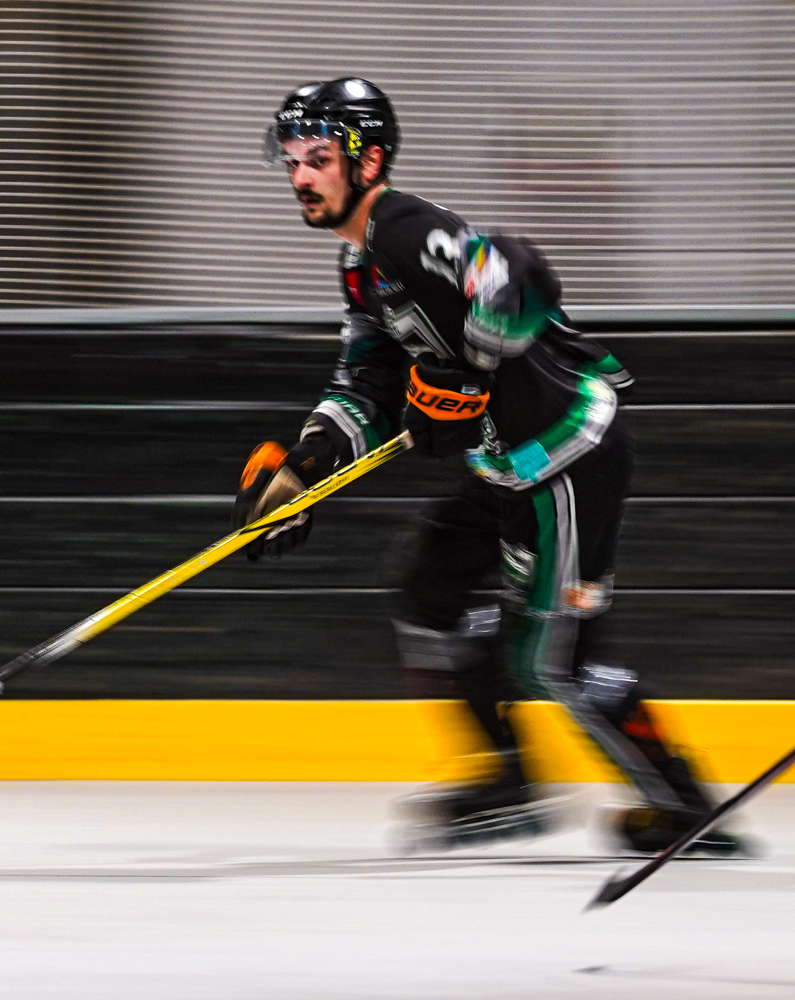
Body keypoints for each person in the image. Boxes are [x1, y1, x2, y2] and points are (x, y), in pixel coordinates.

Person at [232, 77, 742, 854]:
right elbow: (364, 383)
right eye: (294, 160)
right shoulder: (360, 267)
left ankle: (682, 804)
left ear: (369, 162)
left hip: (568, 457)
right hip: (505, 465)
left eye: (320, 157)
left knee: (553, 661)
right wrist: (302, 469)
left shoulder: (406, 231)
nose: (301, 176)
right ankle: (508, 784)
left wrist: (467, 371)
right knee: (429, 594)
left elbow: (518, 272)